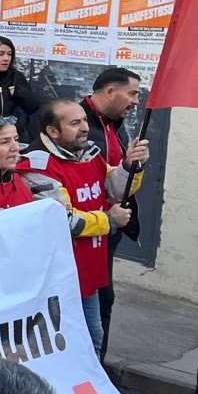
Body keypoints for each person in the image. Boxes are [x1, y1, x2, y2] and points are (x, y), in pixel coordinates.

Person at [22, 99, 139, 350]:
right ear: (52, 131)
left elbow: (113, 191)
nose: (84, 127)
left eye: (84, 120)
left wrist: (130, 166)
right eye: (74, 123)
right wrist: (110, 221)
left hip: (86, 272)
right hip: (57, 278)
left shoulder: (89, 155)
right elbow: (62, 221)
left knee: (92, 341)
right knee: (65, 346)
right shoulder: (37, 164)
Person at [82, 67, 150, 356]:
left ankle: (100, 375)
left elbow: (117, 182)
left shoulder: (113, 123)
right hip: (86, 230)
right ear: (111, 91)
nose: (136, 101)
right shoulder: (82, 123)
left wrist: (135, 164)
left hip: (109, 228)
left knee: (103, 300)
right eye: (132, 93)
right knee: (96, 301)